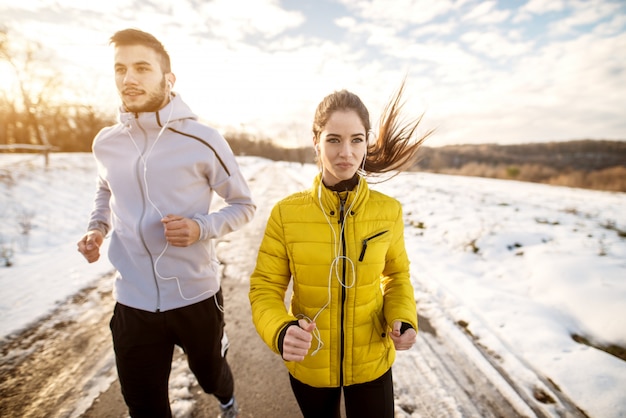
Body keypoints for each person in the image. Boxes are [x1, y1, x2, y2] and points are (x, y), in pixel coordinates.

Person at [77, 28, 255, 418]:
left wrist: (200, 228)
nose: (129, 78)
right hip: (132, 300)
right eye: (120, 69)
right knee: (143, 405)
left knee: (210, 375)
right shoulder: (106, 142)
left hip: (195, 296)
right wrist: (97, 227)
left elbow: (244, 204)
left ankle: (226, 397)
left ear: (168, 79)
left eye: (142, 67)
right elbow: (105, 189)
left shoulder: (202, 140)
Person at [249, 82, 430, 417]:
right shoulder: (287, 213)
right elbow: (265, 288)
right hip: (311, 362)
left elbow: (397, 275)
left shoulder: (388, 211)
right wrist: (280, 329)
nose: (346, 152)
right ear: (316, 141)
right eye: (333, 139)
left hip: (371, 361)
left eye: (356, 140)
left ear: (366, 143)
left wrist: (402, 317)